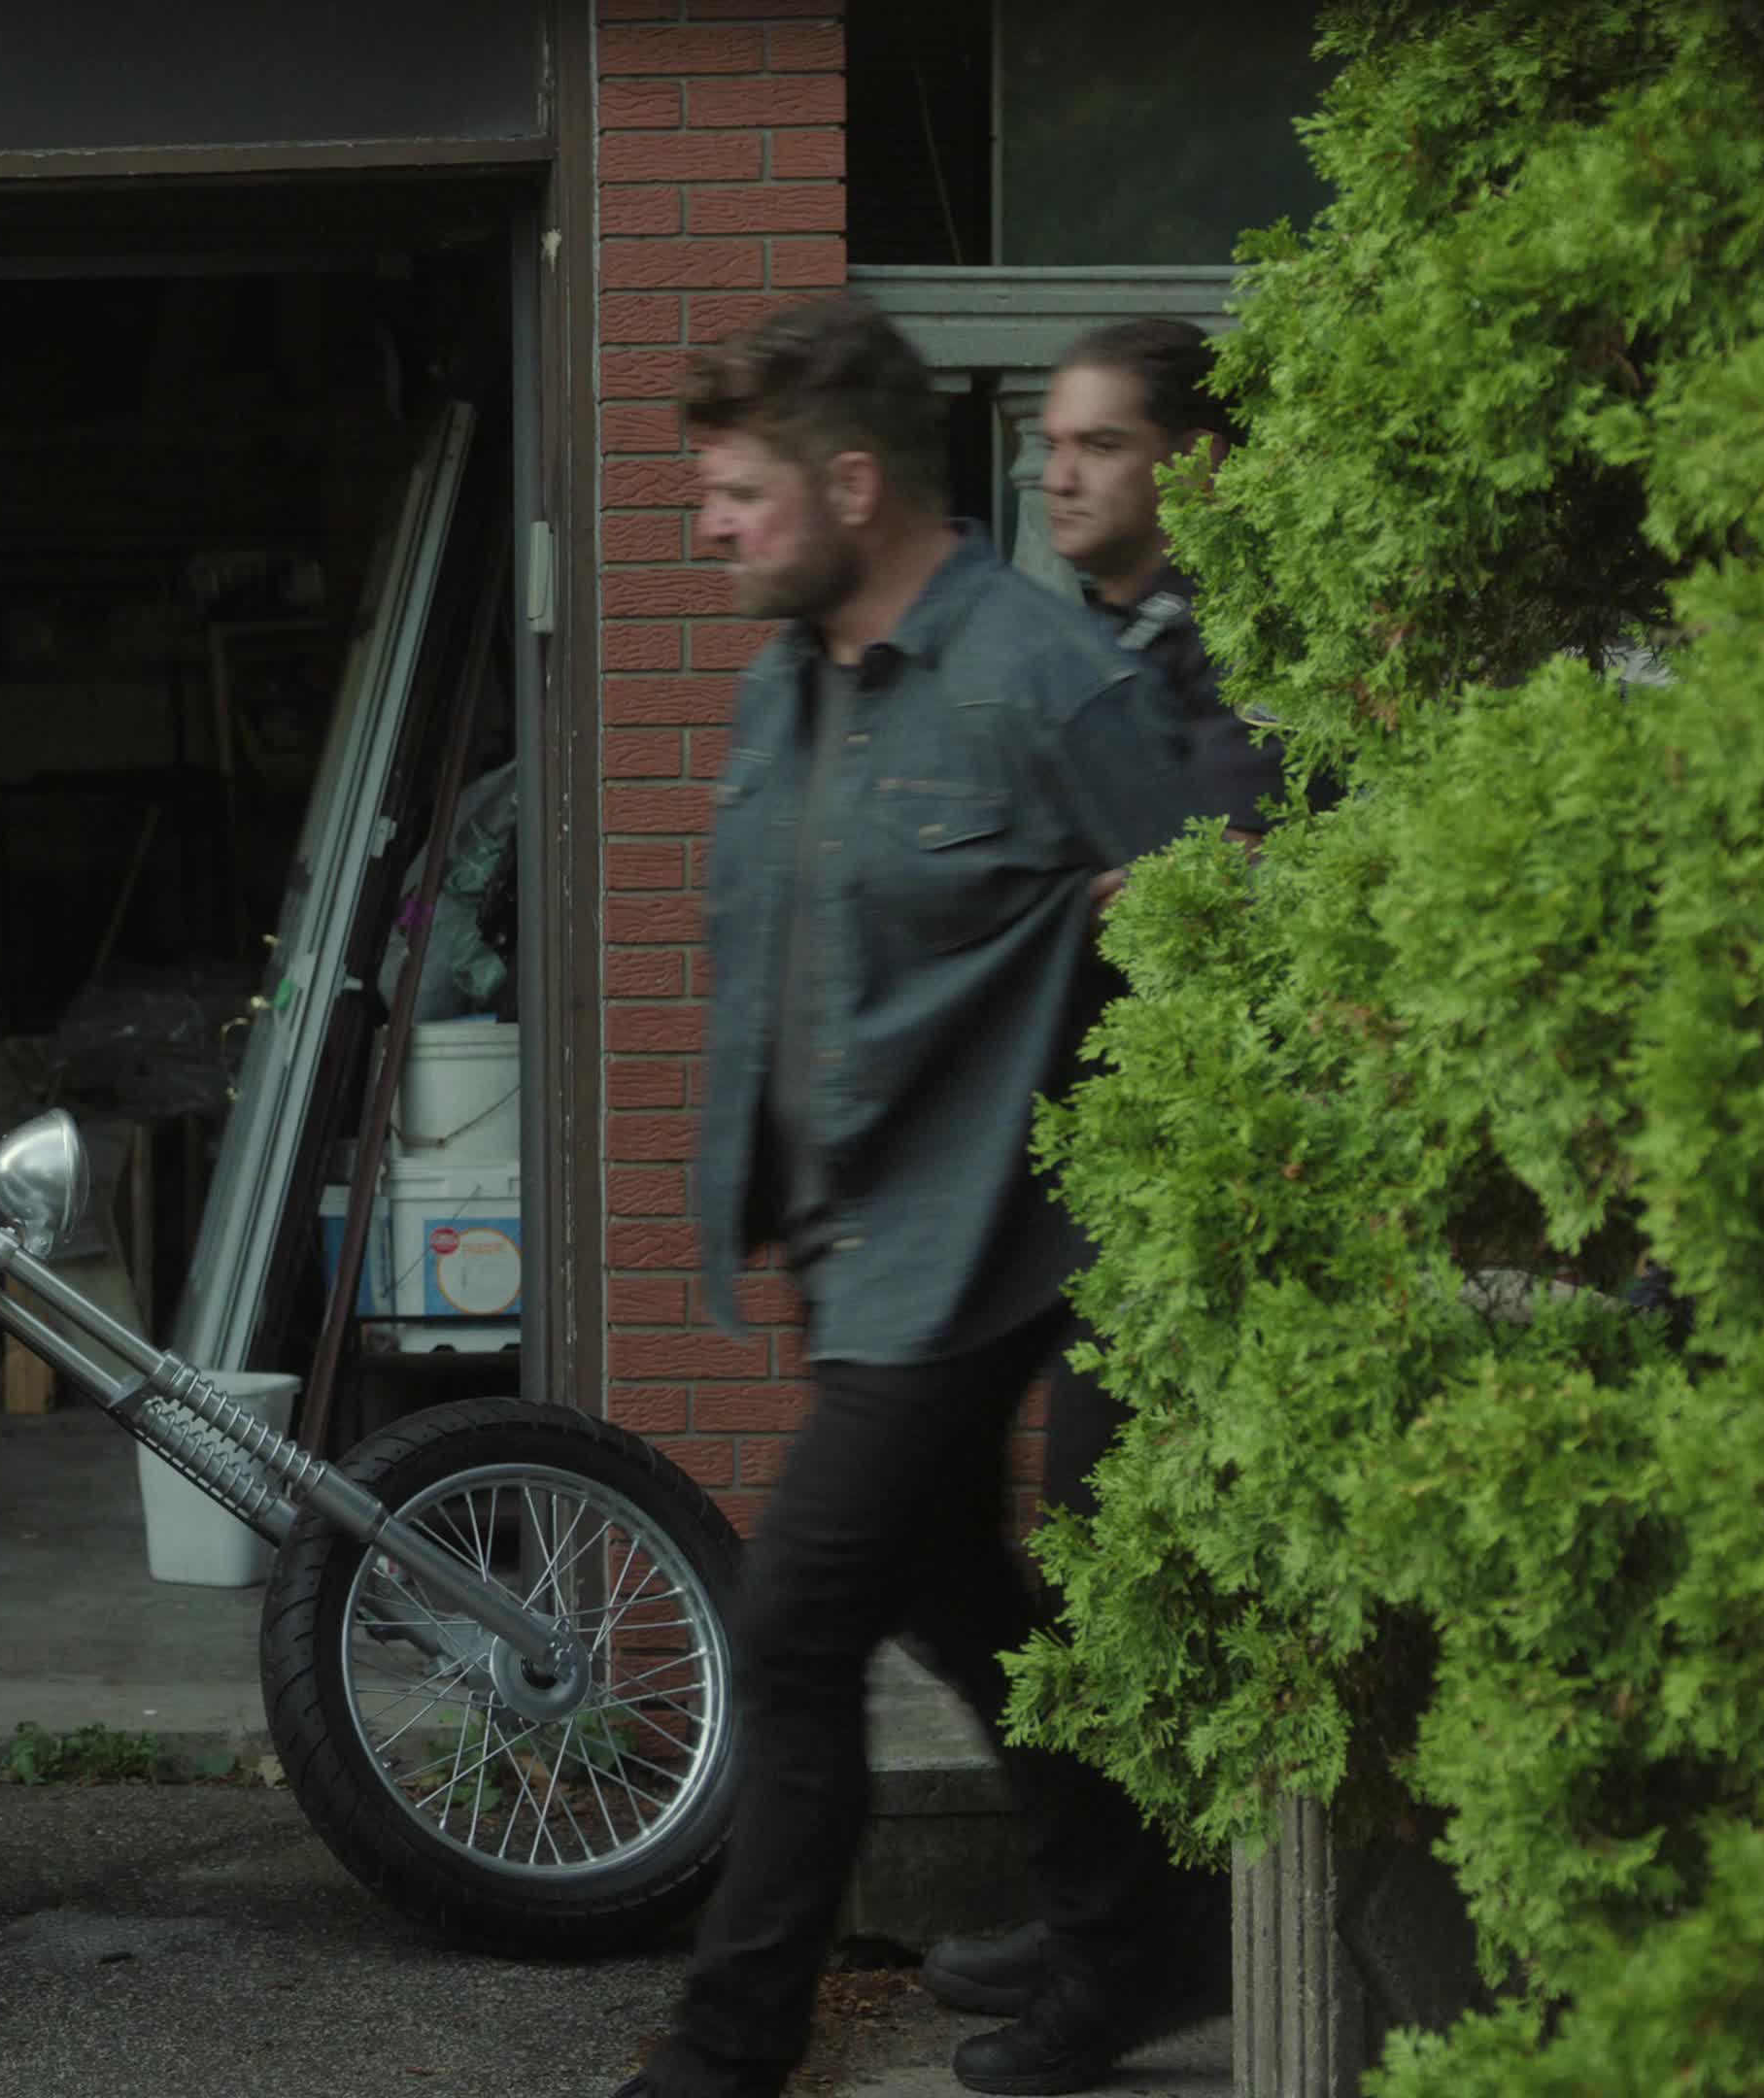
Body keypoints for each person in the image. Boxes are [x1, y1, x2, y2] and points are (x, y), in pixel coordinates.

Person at [613, 295, 1230, 2098]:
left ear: (854, 487)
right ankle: (1140, 1934)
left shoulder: (1042, 679)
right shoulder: (792, 677)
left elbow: (1217, 928)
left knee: (793, 1625)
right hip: (856, 1242)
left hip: (977, 1248)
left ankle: (729, 2048)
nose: (711, 528)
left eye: (738, 494)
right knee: (967, 1604)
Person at [916, 317, 1288, 2023]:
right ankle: (1119, 1918)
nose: (1055, 473)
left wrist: (1122, 891)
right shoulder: (1086, 646)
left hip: (1203, 1181)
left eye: (1100, 443)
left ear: (1193, 462)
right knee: (1028, 1542)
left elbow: (1204, 880)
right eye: (1049, 443)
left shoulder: (1246, 650)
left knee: (1114, 1544)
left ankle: (1139, 1945)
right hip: (1079, 1173)